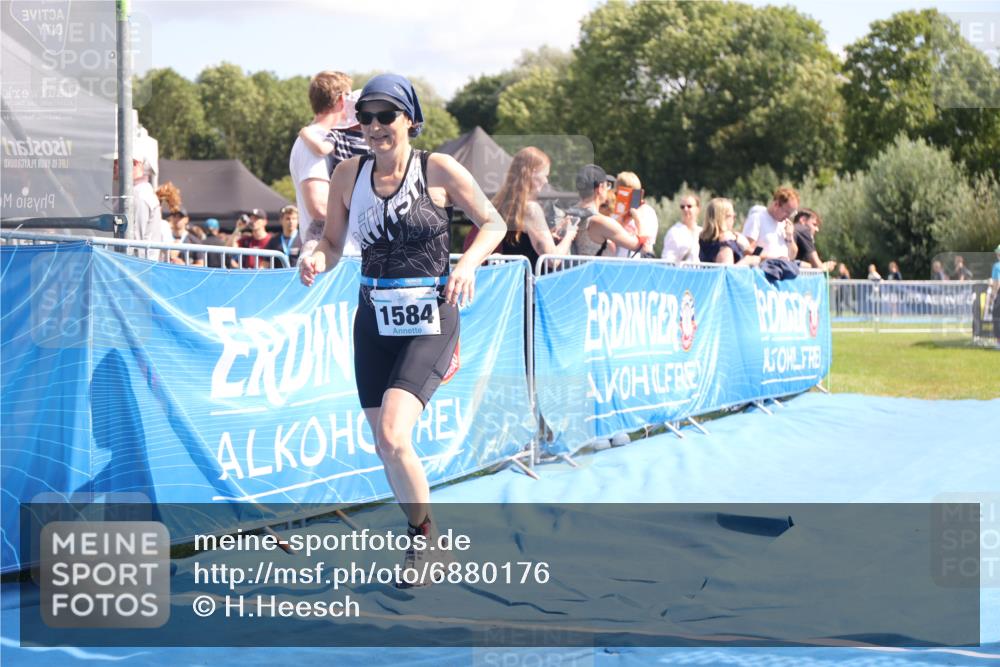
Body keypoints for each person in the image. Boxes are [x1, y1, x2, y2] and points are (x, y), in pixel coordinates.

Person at [298, 74, 507, 587]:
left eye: (385, 116)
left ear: (410, 119)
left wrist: (467, 264)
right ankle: (425, 532)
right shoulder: (347, 174)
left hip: (432, 315)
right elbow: (331, 243)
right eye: (365, 117)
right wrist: (313, 258)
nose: (374, 127)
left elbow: (495, 223)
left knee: (393, 435)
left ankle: (422, 542)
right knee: (384, 445)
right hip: (373, 317)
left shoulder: (438, 168)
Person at [289, 70, 356, 259]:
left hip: (338, 257)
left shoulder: (323, 138)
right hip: (328, 258)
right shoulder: (315, 139)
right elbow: (319, 206)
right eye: (350, 97)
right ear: (342, 99)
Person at [493, 147, 578, 270]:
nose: (546, 181)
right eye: (545, 175)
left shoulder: (502, 203)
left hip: (511, 281)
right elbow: (552, 260)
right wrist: (569, 235)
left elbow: (519, 243)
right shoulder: (531, 208)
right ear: (532, 173)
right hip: (530, 283)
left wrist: (550, 234)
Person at [567, 164, 648, 257]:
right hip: (596, 271)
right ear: (600, 188)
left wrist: (621, 221)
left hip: (575, 270)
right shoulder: (601, 221)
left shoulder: (570, 214)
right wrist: (638, 219)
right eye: (608, 185)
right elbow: (641, 246)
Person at [297, 89, 371, 169]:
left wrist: (304, 132)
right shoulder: (373, 140)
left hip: (343, 180)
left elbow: (322, 149)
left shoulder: (337, 136)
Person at [698, 198, 761, 266]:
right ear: (722, 218)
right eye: (732, 216)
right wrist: (748, 260)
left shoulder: (704, 238)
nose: (734, 219)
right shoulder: (725, 243)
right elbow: (727, 272)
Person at [742, 187, 799, 260]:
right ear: (776, 204)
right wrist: (772, 258)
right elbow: (748, 250)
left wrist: (789, 236)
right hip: (764, 269)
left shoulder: (784, 225)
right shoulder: (757, 219)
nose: (788, 216)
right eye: (787, 212)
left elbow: (792, 256)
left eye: (792, 213)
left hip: (783, 268)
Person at [661, 193, 700, 262]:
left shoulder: (702, 232)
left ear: (698, 209)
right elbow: (667, 260)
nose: (685, 209)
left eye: (689, 206)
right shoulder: (674, 232)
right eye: (682, 207)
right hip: (682, 271)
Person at [990, 244, 1000, 346]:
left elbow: (997, 283)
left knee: (997, 317)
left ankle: (998, 342)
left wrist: (993, 296)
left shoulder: (997, 266)